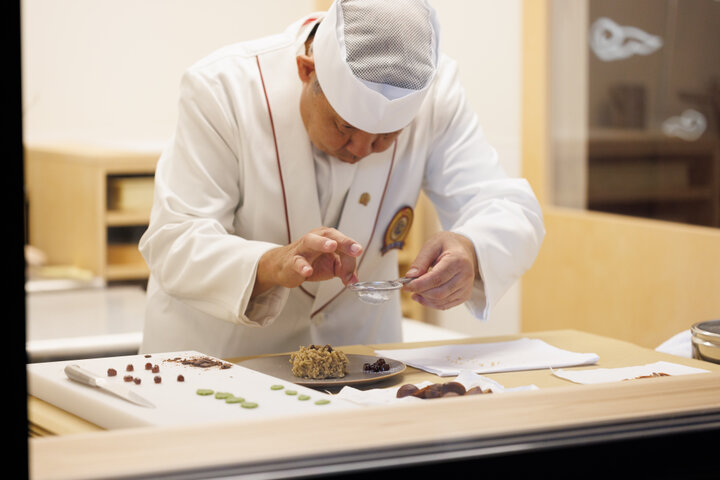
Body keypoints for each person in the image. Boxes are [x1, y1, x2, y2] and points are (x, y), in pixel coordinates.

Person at [138, 0, 545, 358]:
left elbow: (509, 208)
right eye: (343, 125)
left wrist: (471, 249)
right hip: (218, 365)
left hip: (359, 372)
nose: (361, 150)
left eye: (387, 137)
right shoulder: (222, 88)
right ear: (306, 70)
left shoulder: (438, 95)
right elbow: (175, 238)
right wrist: (270, 264)